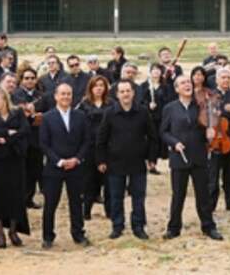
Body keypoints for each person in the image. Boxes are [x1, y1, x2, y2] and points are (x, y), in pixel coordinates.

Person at [160, 75, 223, 241]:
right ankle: (173, 228)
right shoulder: (170, 108)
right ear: (176, 89)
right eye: (182, 83)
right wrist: (174, 143)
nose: (187, 85)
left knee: (203, 195)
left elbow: (211, 123)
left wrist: (210, 132)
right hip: (179, 157)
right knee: (178, 195)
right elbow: (163, 132)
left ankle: (209, 227)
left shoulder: (201, 106)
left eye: (188, 82)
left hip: (198, 156)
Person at [96, 79, 157, 240]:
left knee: (138, 196)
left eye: (128, 91)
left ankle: (138, 226)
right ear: (117, 95)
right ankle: (117, 226)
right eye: (122, 91)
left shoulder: (143, 112)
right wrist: (101, 160)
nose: (125, 94)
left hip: (138, 162)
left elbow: (152, 136)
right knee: (116, 196)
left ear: (133, 93)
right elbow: (101, 139)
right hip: (115, 162)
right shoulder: (109, 113)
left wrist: (151, 158)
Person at [40, 83, 90, 249]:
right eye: (63, 94)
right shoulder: (47, 117)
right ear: (56, 96)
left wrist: (77, 159)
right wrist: (59, 161)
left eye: (69, 94)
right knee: (50, 203)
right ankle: (48, 236)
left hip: (76, 167)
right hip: (54, 168)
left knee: (76, 202)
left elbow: (86, 141)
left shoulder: (81, 116)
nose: (66, 97)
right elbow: (44, 144)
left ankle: (78, 234)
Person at [0, 86, 30, 248]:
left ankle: (13, 230)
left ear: (5, 100)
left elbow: (25, 130)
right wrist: (9, 132)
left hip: (15, 158)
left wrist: (7, 139)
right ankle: (0, 232)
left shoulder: (18, 112)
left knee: (16, 193)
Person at [13, 64, 50, 208]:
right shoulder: (15, 95)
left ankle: (29, 198)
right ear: (21, 80)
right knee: (21, 171)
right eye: (26, 78)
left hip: (37, 138)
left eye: (32, 78)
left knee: (36, 170)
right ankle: (20, 199)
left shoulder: (41, 96)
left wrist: (42, 116)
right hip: (21, 138)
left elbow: (48, 112)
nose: (29, 81)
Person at [209, 67, 230, 212]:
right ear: (217, 79)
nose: (225, 80)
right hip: (215, 141)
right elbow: (208, 116)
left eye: (228, 78)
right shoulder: (211, 95)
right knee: (213, 174)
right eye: (223, 77)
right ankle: (211, 204)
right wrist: (224, 111)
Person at [78, 75, 112, 220]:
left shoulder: (111, 104)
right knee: (89, 181)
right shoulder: (84, 104)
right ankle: (86, 211)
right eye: (95, 85)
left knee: (109, 182)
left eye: (101, 85)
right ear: (90, 88)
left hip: (108, 147)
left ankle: (110, 211)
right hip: (90, 147)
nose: (98, 88)